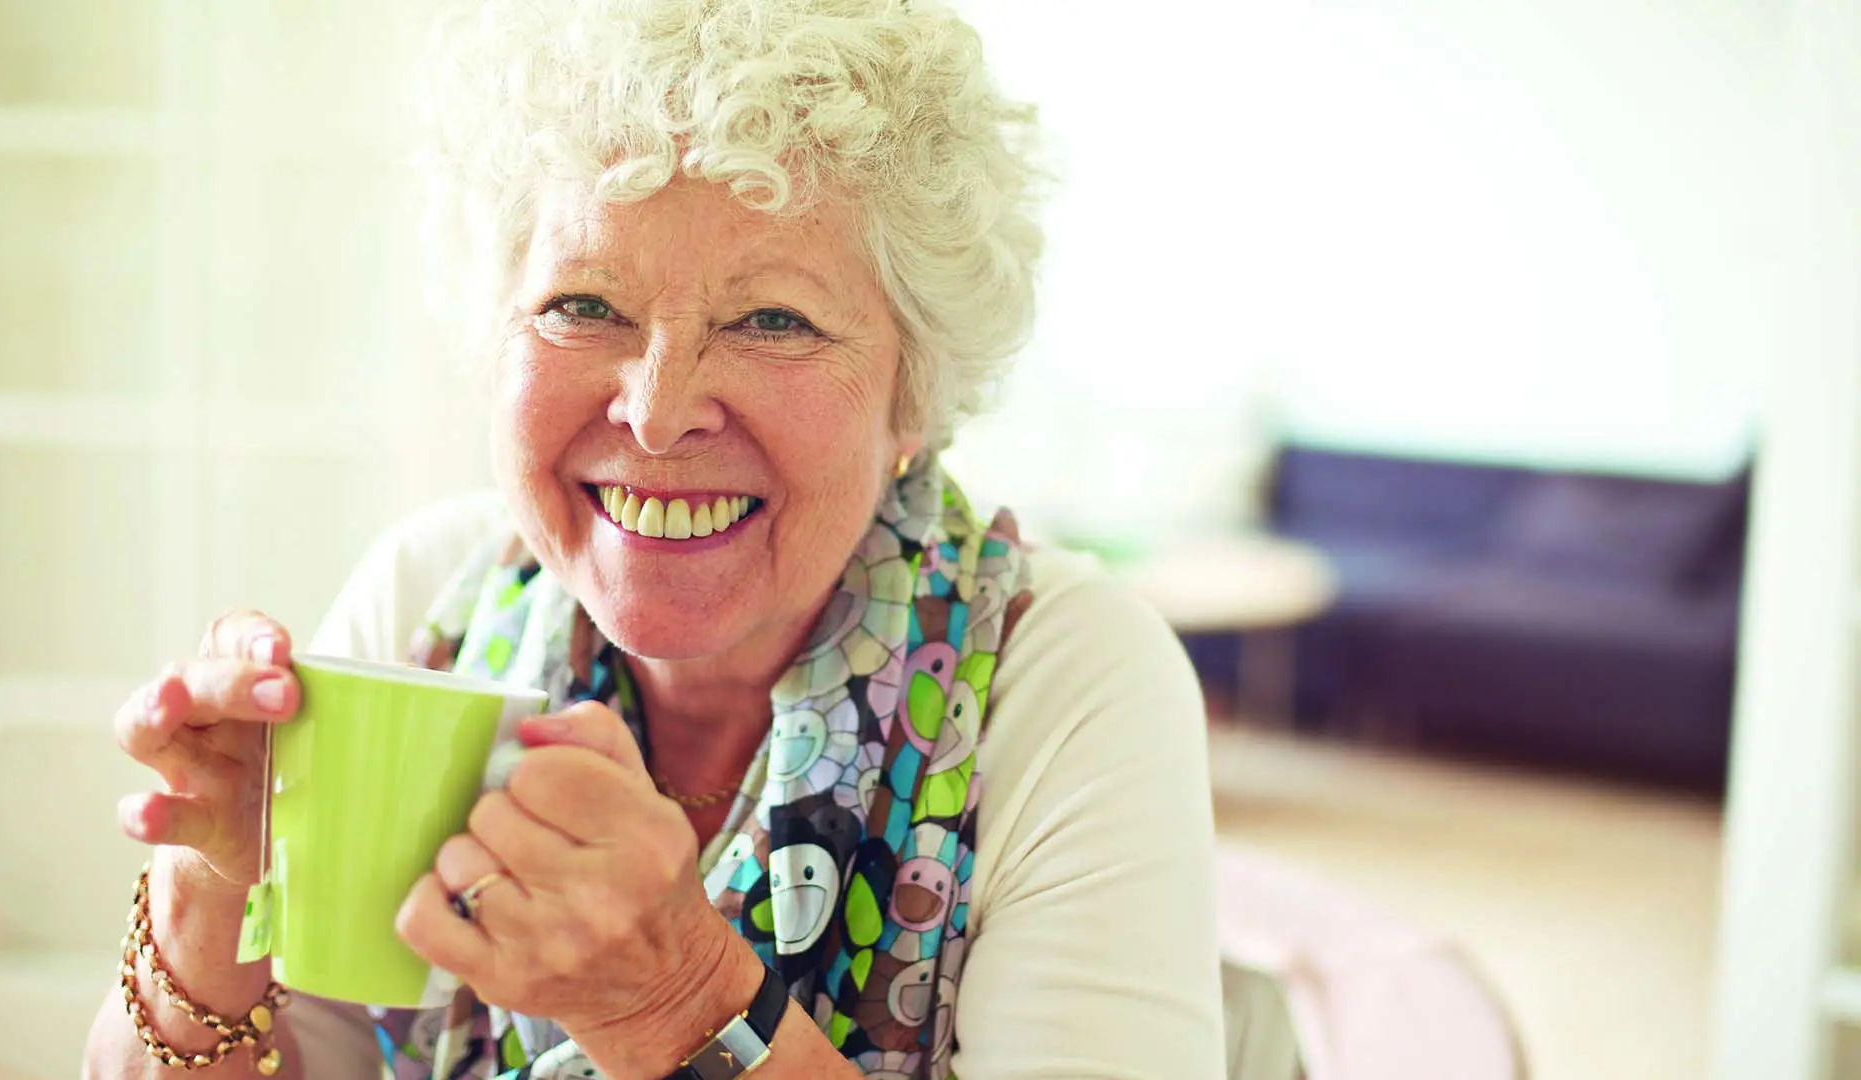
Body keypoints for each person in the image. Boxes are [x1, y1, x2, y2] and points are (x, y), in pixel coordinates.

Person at [85, 0, 1224, 1076]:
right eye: (584, 305)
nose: (657, 407)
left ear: (912, 396)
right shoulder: (431, 600)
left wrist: (672, 1000)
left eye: (773, 318)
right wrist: (210, 894)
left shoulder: (1071, 680)